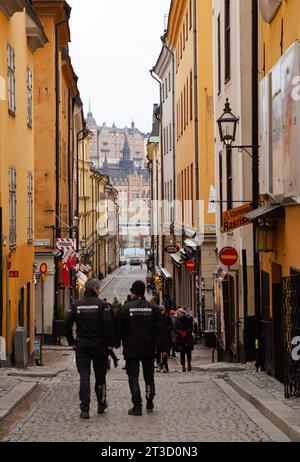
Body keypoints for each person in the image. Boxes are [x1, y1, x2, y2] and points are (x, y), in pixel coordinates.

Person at [115, 280, 168, 416]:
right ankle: (150, 401)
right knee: (149, 376)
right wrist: (164, 348)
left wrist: (115, 343)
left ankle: (137, 406)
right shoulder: (154, 308)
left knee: (133, 377)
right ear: (144, 291)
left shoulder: (125, 308)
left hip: (131, 348)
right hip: (148, 348)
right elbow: (162, 331)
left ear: (133, 292)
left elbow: (118, 328)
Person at [64, 278, 114, 419]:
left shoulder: (76, 304)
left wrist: (71, 341)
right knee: (100, 377)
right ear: (96, 289)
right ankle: (101, 403)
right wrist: (109, 343)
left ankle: (84, 409)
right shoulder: (101, 304)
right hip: (99, 346)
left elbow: (66, 323)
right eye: (98, 289)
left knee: (84, 377)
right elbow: (108, 325)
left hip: (82, 346)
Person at [175, 307, 194, 372]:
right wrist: (180, 332)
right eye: (177, 314)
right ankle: (183, 365)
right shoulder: (177, 320)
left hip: (187, 338)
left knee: (188, 351)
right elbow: (175, 329)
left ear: (182, 314)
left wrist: (186, 332)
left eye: (178, 314)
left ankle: (189, 363)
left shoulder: (188, 319)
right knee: (182, 352)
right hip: (180, 338)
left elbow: (191, 328)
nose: (177, 315)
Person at [156, 306, 173, 373]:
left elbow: (171, 326)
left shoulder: (167, 317)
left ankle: (165, 365)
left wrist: (165, 328)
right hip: (158, 337)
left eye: (163, 310)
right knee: (157, 352)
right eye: (161, 310)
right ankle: (158, 365)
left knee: (165, 352)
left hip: (166, 337)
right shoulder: (156, 318)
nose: (162, 311)